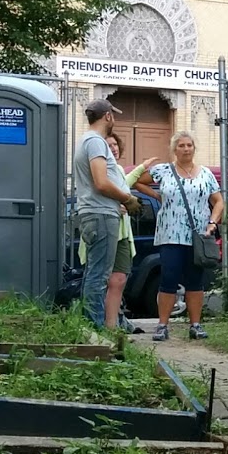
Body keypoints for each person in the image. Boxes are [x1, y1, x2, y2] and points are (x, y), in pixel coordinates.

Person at [71, 98, 141, 331]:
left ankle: (90, 327)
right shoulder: (96, 142)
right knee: (99, 277)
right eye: (114, 115)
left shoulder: (87, 140)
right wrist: (127, 198)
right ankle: (95, 329)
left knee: (95, 273)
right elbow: (101, 182)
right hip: (101, 214)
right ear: (108, 116)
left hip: (96, 214)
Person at [147, 132, 223, 342]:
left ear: (194, 148)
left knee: (195, 281)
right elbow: (136, 181)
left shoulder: (205, 174)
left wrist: (212, 223)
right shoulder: (163, 171)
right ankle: (162, 325)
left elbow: (218, 201)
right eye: (181, 145)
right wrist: (156, 195)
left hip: (197, 236)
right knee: (168, 279)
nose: (186, 149)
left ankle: (195, 325)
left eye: (189, 145)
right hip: (170, 235)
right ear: (174, 149)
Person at [77, 133, 156, 331]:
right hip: (103, 222)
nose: (112, 148)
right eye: (108, 145)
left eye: (115, 145)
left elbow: (125, 184)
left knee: (119, 279)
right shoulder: (98, 164)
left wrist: (142, 167)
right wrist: (121, 202)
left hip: (122, 231)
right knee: (100, 276)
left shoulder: (117, 169)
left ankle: (112, 327)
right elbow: (104, 187)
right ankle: (94, 325)